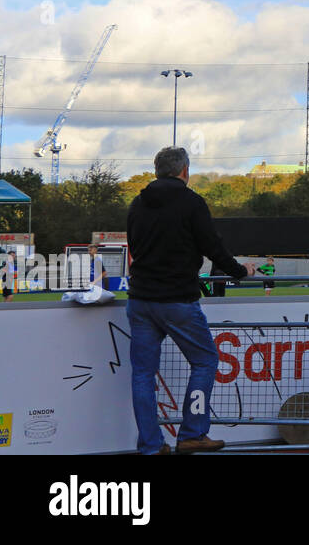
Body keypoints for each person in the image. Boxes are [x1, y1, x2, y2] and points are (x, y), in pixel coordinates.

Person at [126, 146, 252, 455]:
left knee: (142, 374)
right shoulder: (192, 202)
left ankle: (151, 446)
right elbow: (213, 246)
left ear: (157, 170)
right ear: (184, 171)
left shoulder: (137, 204)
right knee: (205, 360)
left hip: (140, 299)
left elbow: (135, 247)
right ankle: (192, 433)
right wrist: (239, 271)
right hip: (177, 299)